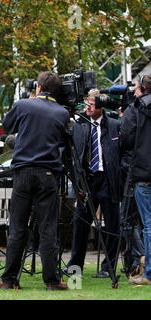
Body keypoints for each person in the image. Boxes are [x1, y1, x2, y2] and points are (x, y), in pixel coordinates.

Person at [0, 71, 69, 291]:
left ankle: (9, 279)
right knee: (48, 229)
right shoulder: (62, 112)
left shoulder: (24, 105)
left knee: (18, 228)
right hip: (48, 174)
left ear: (38, 87)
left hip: (23, 172)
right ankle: (51, 280)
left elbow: (8, 124)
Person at [66, 89, 122, 278]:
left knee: (112, 225)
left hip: (108, 179)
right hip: (88, 180)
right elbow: (73, 156)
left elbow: (121, 152)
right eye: (86, 103)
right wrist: (77, 183)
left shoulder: (113, 125)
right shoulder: (80, 126)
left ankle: (108, 267)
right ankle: (75, 266)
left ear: (101, 106)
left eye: (92, 104)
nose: (88, 107)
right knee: (80, 223)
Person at [121, 74, 151, 285]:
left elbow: (126, 140)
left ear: (141, 89)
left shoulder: (136, 109)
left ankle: (149, 272)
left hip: (144, 172)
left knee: (147, 225)